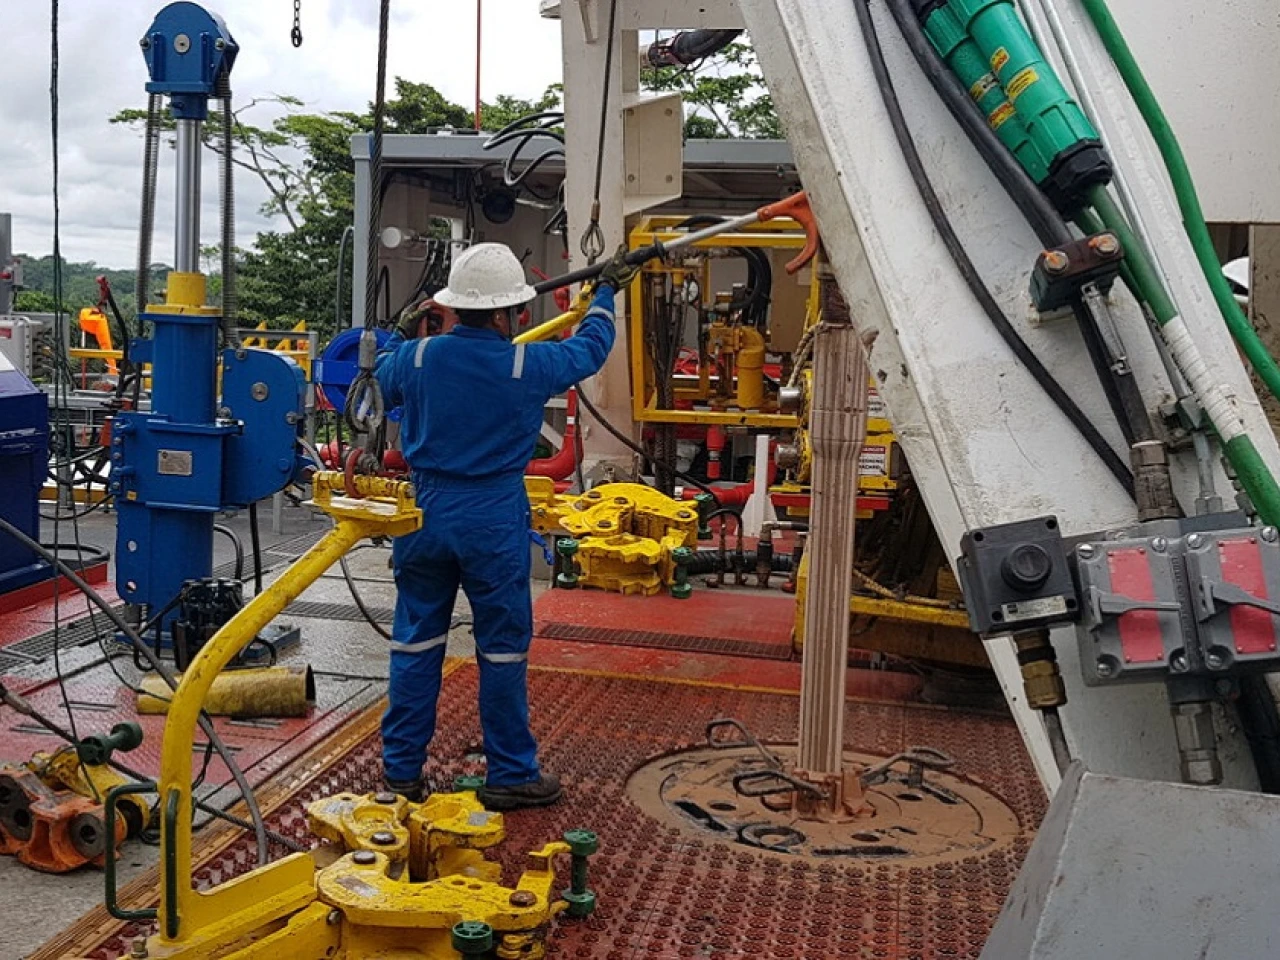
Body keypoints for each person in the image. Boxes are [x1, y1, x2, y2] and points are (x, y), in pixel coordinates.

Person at [373, 242, 638, 809]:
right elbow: (590, 349)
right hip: (491, 518)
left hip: (424, 515)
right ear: (507, 314)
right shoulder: (526, 365)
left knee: (416, 641)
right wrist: (606, 293)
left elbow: (379, 376)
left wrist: (398, 332)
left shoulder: (416, 358)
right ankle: (511, 774)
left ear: (452, 306)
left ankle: (400, 775)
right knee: (501, 650)